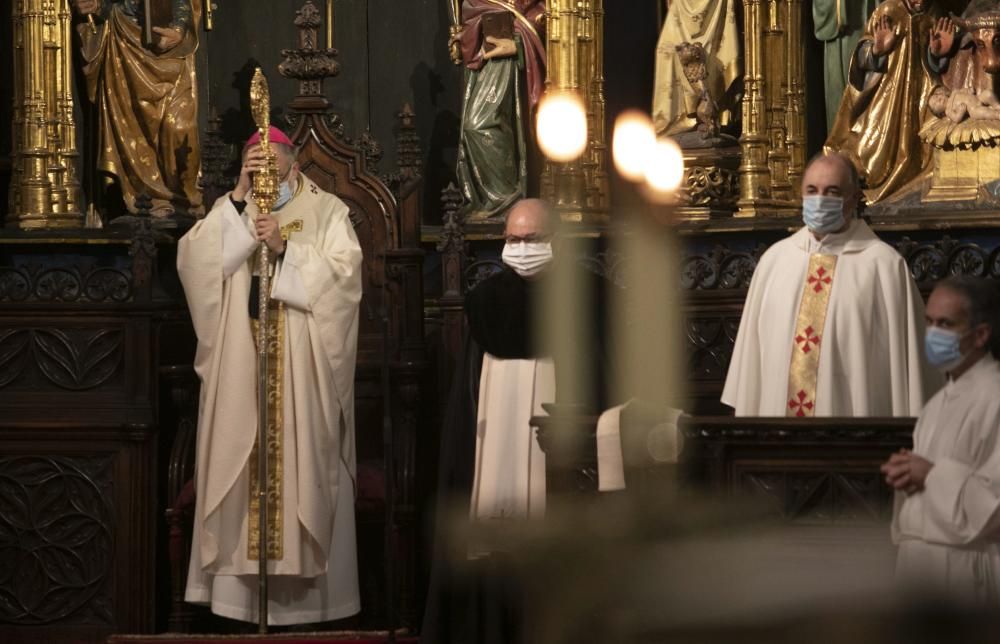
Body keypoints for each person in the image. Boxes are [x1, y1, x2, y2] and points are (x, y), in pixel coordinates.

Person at [177, 126, 363, 624]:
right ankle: (240, 603)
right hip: (243, 364)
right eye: (253, 173)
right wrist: (237, 200)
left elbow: (347, 278)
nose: (265, 184)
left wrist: (287, 249)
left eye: (271, 173)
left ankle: (311, 609)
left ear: (293, 167)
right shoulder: (232, 209)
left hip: (303, 373)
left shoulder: (327, 211)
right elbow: (195, 263)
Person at [421, 198, 612, 643]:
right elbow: (465, 394)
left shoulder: (588, 295)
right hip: (496, 447)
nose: (520, 248)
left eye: (531, 240)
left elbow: (606, 374)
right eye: (512, 239)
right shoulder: (486, 301)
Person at [722, 152, 939, 416]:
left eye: (832, 192)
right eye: (812, 190)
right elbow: (752, 368)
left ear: (854, 199)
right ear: (800, 194)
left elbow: (912, 375)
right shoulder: (774, 263)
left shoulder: (885, 268)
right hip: (777, 443)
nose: (820, 200)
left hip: (856, 441)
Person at [882, 277, 1000, 603]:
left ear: (981, 334)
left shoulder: (995, 396)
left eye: (945, 324)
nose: (933, 333)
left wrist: (930, 474)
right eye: (929, 321)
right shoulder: (936, 403)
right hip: (922, 568)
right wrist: (908, 472)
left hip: (968, 571)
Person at [73, 0, 203, 217]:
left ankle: (186, 198)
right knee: (133, 124)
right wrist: (97, 7)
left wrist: (179, 28)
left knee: (178, 127)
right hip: (125, 43)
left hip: (168, 49)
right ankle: (149, 199)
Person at [824, 0, 945, 202]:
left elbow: (936, 66)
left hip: (921, 102)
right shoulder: (888, 11)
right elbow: (863, 56)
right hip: (886, 101)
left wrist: (937, 54)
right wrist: (876, 50)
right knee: (869, 159)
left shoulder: (935, 16)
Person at [451, 1, 546, 221]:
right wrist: (464, 40)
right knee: (472, 128)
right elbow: (474, 13)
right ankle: (490, 201)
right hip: (483, 60)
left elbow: (546, 18)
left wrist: (520, 44)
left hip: (509, 60)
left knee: (479, 125)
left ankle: (505, 200)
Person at [651, 0, 741, 137]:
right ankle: (681, 116)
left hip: (714, 5)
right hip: (682, 6)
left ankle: (710, 115)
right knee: (668, 48)